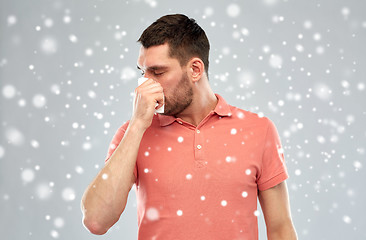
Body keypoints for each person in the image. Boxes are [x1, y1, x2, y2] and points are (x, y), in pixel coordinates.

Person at [81, 14, 298, 240]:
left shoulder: (258, 130)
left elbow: (281, 228)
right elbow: (96, 221)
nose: (144, 85)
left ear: (195, 69)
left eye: (157, 72)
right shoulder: (132, 134)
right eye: (142, 72)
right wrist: (136, 126)